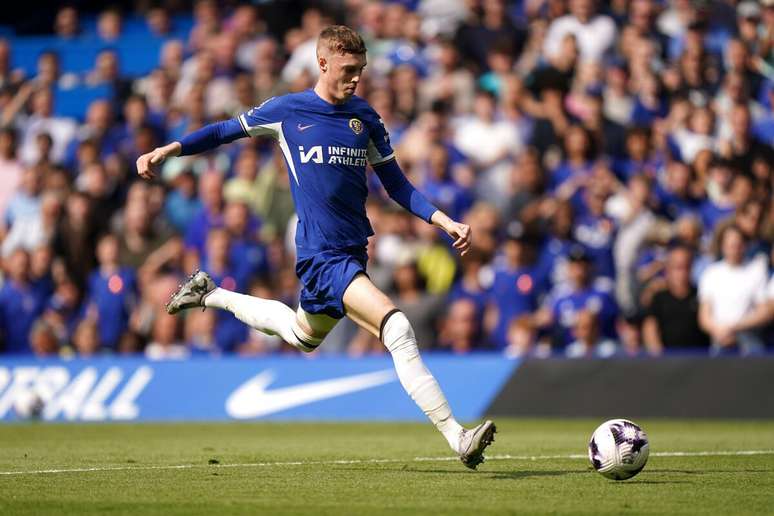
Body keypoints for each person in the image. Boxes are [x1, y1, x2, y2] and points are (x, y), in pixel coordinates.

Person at [136, 25, 495, 469]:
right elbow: (225, 131)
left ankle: (211, 293)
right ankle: (457, 436)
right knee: (397, 329)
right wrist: (170, 149)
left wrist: (444, 221)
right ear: (322, 63)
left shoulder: (365, 117)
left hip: (352, 251)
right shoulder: (288, 111)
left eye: (361, 70)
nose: (356, 78)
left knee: (303, 335)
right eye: (348, 69)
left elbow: (397, 186)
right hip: (322, 256)